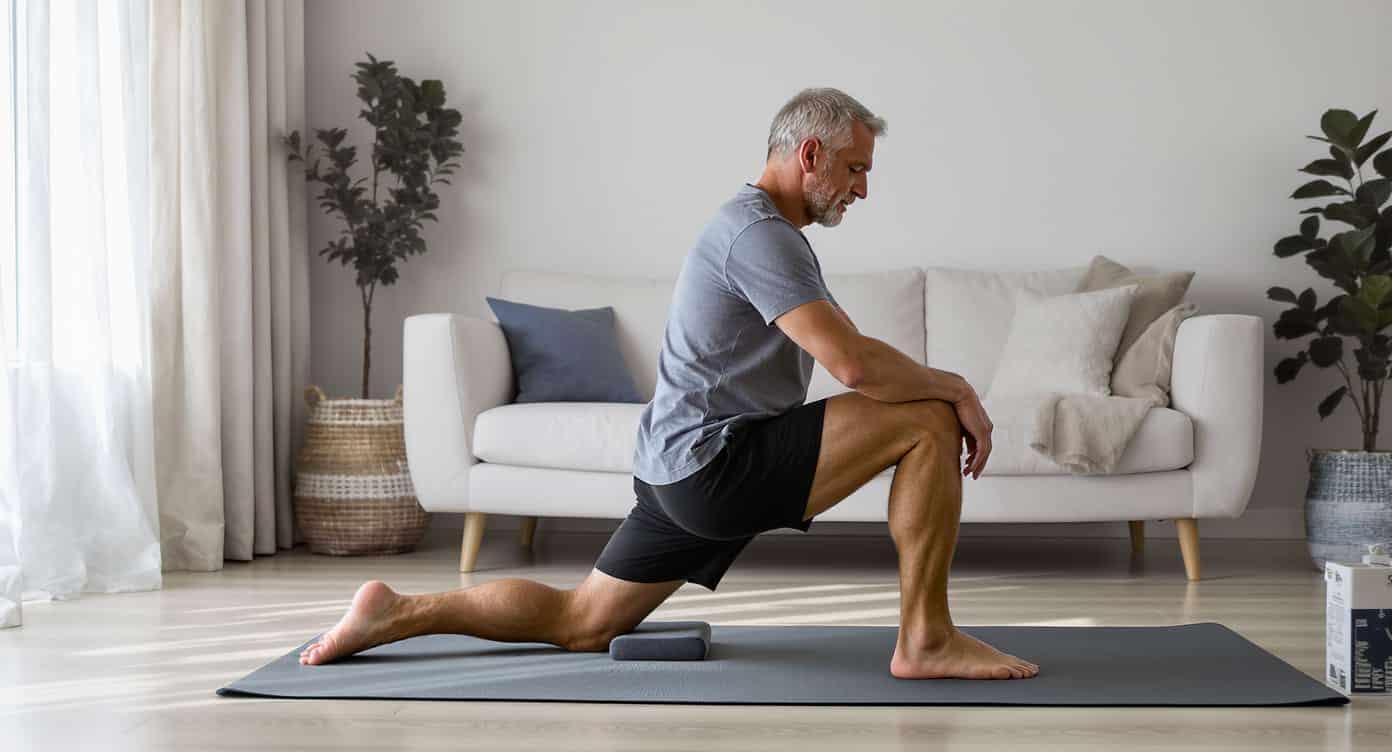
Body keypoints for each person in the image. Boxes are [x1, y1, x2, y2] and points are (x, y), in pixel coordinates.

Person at [299, 87, 1038, 681]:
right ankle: (926, 638)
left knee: (583, 621)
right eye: (854, 168)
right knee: (928, 418)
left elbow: (847, 354)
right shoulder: (761, 235)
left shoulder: (757, 229)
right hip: (718, 464)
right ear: (810, 154)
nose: (863, 189)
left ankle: (396, 613)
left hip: (677, 466)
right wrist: (958, 388)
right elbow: (852, 365)